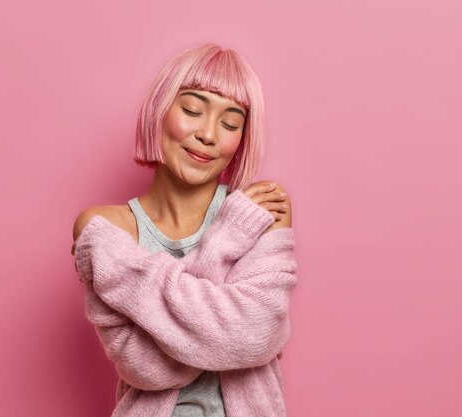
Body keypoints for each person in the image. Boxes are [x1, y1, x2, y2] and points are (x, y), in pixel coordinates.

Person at [71, 43, 296, 417]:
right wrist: (223, 241)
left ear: (242, 139)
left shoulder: (264, 212)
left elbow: (252, 337)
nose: (208, 134)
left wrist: (172, 328)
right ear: (160, 110)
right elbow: (145, 368)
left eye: (229, 123)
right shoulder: (104, 229)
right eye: (193, 109)